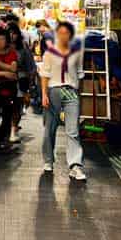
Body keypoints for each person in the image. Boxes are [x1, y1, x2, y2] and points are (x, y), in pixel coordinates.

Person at [40, 21, 86, 181]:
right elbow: (44, 75)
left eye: (66, 33)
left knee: (73, 131)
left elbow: (80, 74)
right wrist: (44, 94)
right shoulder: (49, 53)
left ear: (70, 35)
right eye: (60, 33)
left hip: (71, 92)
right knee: (49, 129)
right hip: (53, 91)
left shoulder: (77, 52)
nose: (63, 36)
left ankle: (75, 165)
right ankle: (48, 160)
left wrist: (81, 97)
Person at [8, 23, 37, 144]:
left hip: (21, 80)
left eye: (14, 33)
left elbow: (31, 67)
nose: (12, 35)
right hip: (6, 80)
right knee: (8, 106)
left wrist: (30, 86)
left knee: (18, 106)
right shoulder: (2, 47)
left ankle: (14, 128)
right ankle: (10, 129)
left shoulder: (23, 48)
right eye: (10, 33)